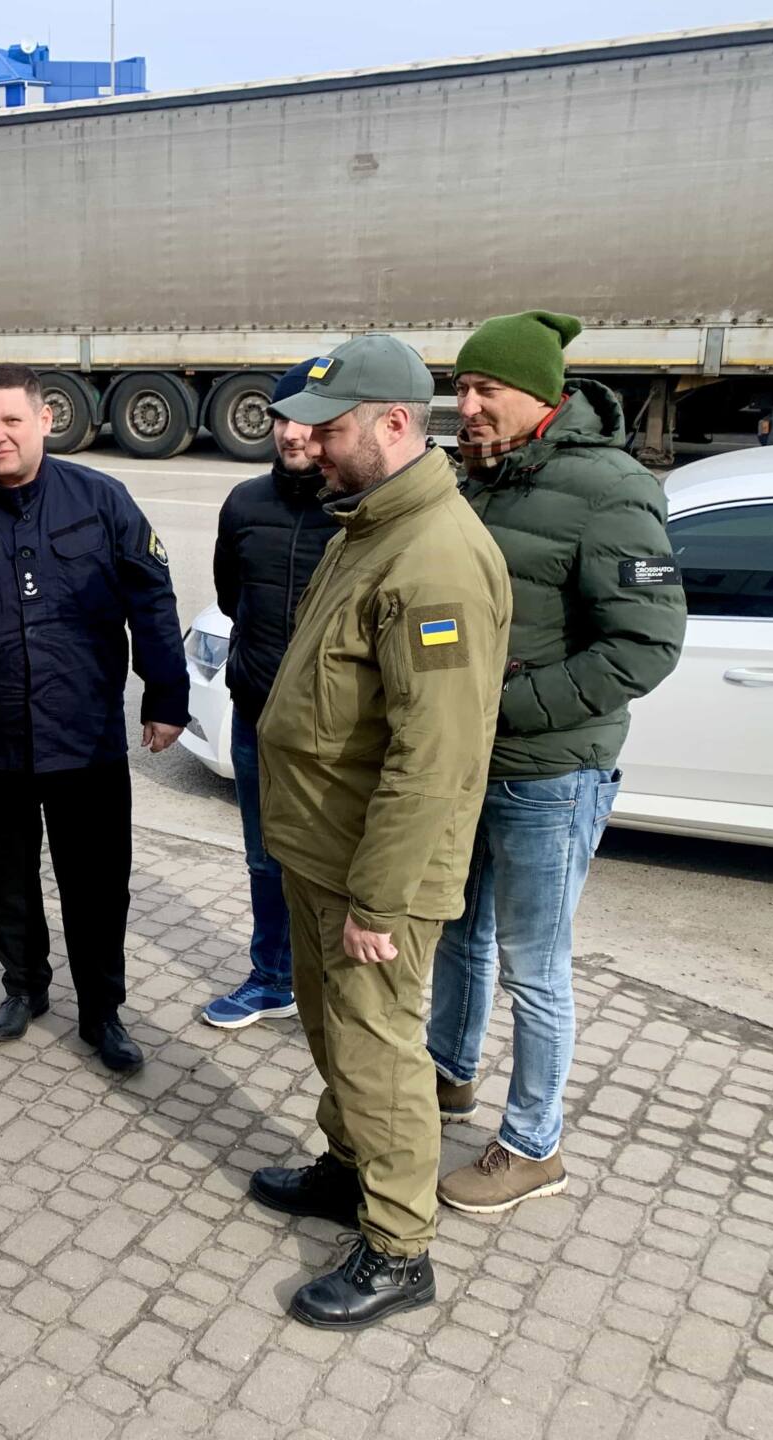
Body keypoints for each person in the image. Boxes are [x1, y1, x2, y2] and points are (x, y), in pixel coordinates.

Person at [248, 336, 511, 1329]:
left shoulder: (435, 558)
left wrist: (380, 899)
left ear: (395, 425)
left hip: (374, 875)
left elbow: (434, 760)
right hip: (324, 848)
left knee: (379, 1052)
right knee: (336, 1036)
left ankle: (400, 1249)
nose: (308, 444)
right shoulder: (371, 524)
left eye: (330, 428)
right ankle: (351, 1167)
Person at [431, 312, 686, 1213]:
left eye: (484, 390)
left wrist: (501, 707)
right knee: (458, 933)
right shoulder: (475, 478)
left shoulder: (611, 487)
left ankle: (534, 1144)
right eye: (459, 388)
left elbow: (643, 647)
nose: (466, 406)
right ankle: (448, 1075)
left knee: (534, 964)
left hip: (551, 773)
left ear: (541, 395)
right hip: (465, 766)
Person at [0, 364, 188, 1076]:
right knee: (7, 877)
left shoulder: (101, 501)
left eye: (10, 421)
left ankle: (103, 1012)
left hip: (85, 739)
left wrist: (166, 696)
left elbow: (152, 600)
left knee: (97, 883)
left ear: (45, 419)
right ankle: (25, 988)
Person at [202, 358, 335, 1029]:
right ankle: (272, 978)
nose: (292, 434)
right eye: (283, 417)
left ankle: (336, 993)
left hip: (333, 732)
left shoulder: (358, 508)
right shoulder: (245, 504)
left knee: (332, 870)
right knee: (264, 859)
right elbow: (232, 597)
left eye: (309, 420)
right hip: (257, 715)